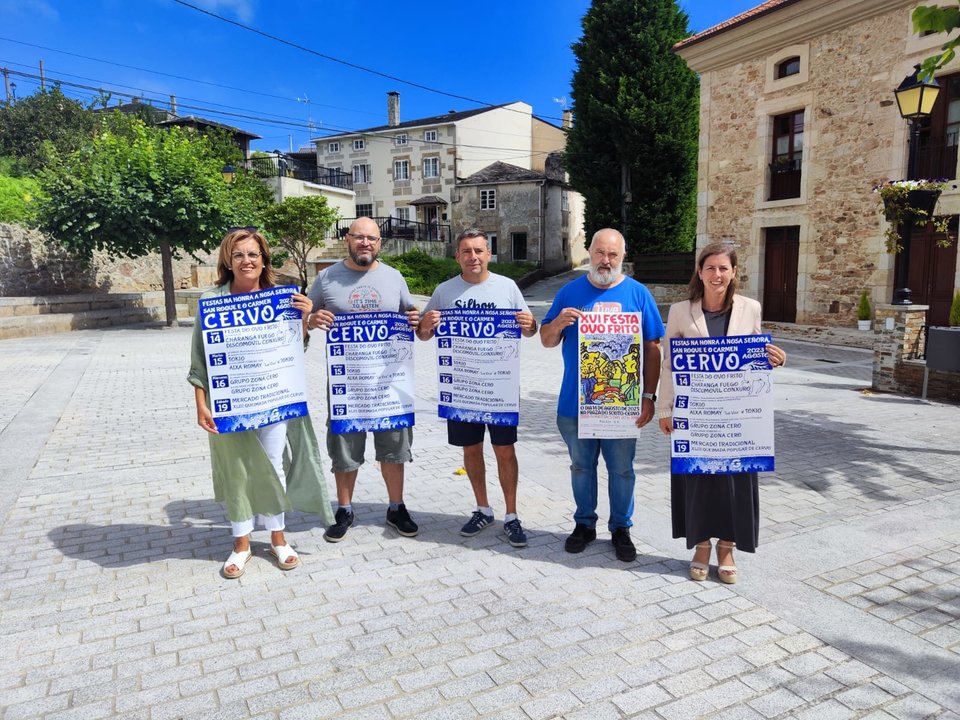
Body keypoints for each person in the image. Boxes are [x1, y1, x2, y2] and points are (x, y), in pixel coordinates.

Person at [188, 228, 334, 579]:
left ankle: (278, 540)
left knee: (273, 466)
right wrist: (201, 403)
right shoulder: (212, 302)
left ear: (264, 259)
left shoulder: (280, 299)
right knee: (237, 469)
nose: (247, 261)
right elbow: (199, 360)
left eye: (253, 254)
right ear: (228, 260)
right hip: (230, 401)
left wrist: (303, 319)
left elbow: (295, 350)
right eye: (238, 255)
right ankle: (241, 544)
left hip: (272, 399)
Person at [657, 241, 787, 584]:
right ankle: (701, 545)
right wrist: (665, 409)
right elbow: (669, 364)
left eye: (723, 268)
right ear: (699, 272)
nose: (717, 274)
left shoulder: (750, 309)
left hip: (737, 416)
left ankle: (727, 547)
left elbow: (754, 363)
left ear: (733, 273)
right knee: (697, 479)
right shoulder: (680, 311)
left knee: (734, 480)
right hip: (695, 413)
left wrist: (776, 359)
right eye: (710, 268)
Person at [540, 228, 664, 562]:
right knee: (581, 467)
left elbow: (653, 348)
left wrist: (649, 396)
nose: (605, 260)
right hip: (575, 403)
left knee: (622, 469)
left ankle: (621, 528)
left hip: (621, 406)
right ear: (589, 252)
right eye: (599, 253)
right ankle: (584, 524)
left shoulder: (638, 294)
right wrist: (558, 324)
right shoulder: (569, 292)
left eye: (612, 254)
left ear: (623, 256)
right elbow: (546, 340)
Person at [417, 229, 538, 548]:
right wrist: (426, 325)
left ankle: (511, 515)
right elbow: (424, 334)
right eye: (466, 251)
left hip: (499, 388)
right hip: (463, 387)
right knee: (470, 450)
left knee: (504, 451)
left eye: (479, 251)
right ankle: (483, 509)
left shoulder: (508, 287)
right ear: (457, 256)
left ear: (489, 254)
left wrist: (531, 325)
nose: (473, 257)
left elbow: (529, 328)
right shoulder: (444, 291)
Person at [307, 217, 421, 542]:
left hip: (389, 383)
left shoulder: (394, 277)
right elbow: (302, 317)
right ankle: (344, 509)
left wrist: (414, 318)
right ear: (348, 239)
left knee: (395, 446)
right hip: (348, 384)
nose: (365, 243)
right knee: (344, 448)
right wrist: (313, 318)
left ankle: (396, 507)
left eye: (372, 238)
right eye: (359, 237)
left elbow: (410, 314)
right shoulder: (326, 278)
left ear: (380, 243)